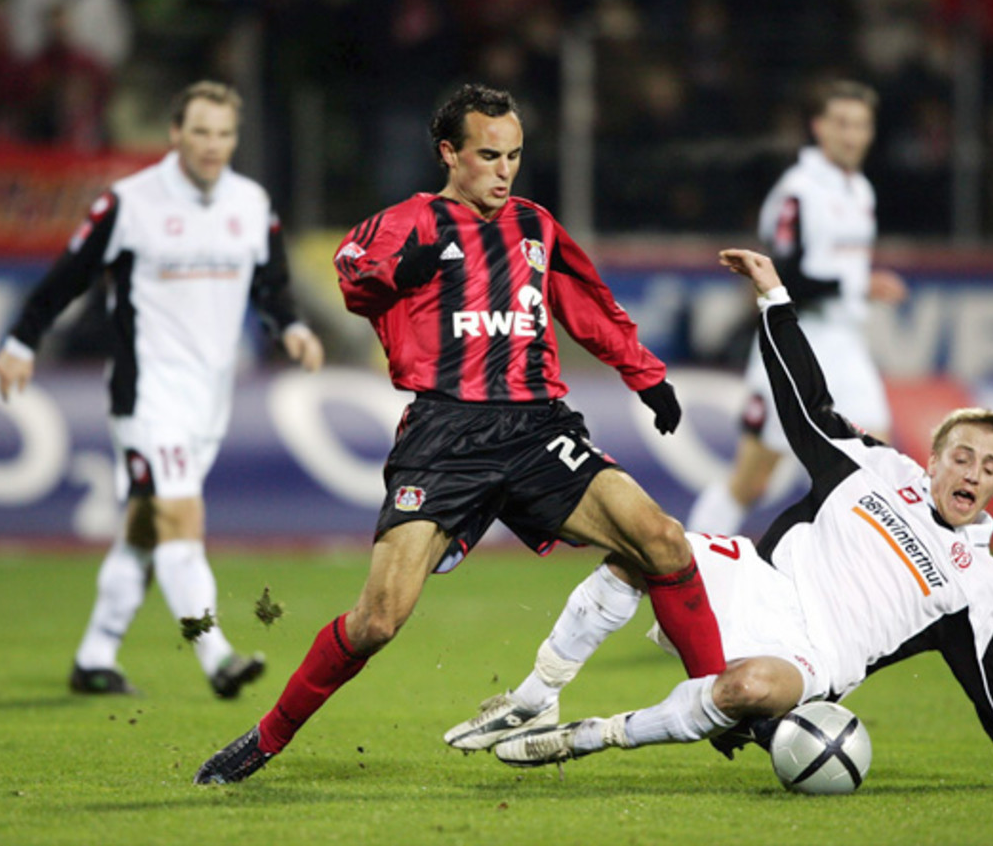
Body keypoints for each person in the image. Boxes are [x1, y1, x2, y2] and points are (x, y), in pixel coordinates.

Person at [450, 249, 993, 792]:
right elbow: (805, 403)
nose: (972, 473)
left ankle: (586, 737)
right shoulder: (872, 467)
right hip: (756, 579)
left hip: (816, 656)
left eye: (989, 468)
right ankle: (537, 695)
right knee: (642, 541)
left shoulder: (983, 585)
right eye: (962, 456)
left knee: (750, 688)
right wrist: (775, 299)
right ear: (932, 458)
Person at [193, 83, 727, 784]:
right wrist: (400, 269)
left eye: (514, 156)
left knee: (660, 538)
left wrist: (645, 374)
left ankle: (722, 702)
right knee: (379, 619)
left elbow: (588, 304)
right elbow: (352, 275)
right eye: (488, 155)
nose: (504, 171)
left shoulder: (535, 226)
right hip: (445, 431)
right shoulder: (407, 221)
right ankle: (265, 736)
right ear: (450, 153)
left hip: (537, 424)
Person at [0, 80, 325, 698]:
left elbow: (271, 284)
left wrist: (295, 327)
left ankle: (95, 656)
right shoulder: (131, 202)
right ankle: (216, 656)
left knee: (146, 528)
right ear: (175, 134)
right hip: (146, 393)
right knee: (179, 515)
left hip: (211, 397)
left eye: (224, 134)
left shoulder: (250, 203)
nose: (212, 145)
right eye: (200, 131)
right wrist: (19, 343)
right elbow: (69, 276)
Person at [687, 80, 908, 536]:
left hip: (845, 343)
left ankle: (850, 582)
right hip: (794, 335)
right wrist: (859, 283)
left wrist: (856, 288)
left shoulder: (861, 191)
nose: (851, 135)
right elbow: (782, 275)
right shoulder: (799, 191)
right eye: (842, 124)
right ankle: (687, 572)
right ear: (820, 128)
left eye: (861, 125)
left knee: (879, 466)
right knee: (752, 479)